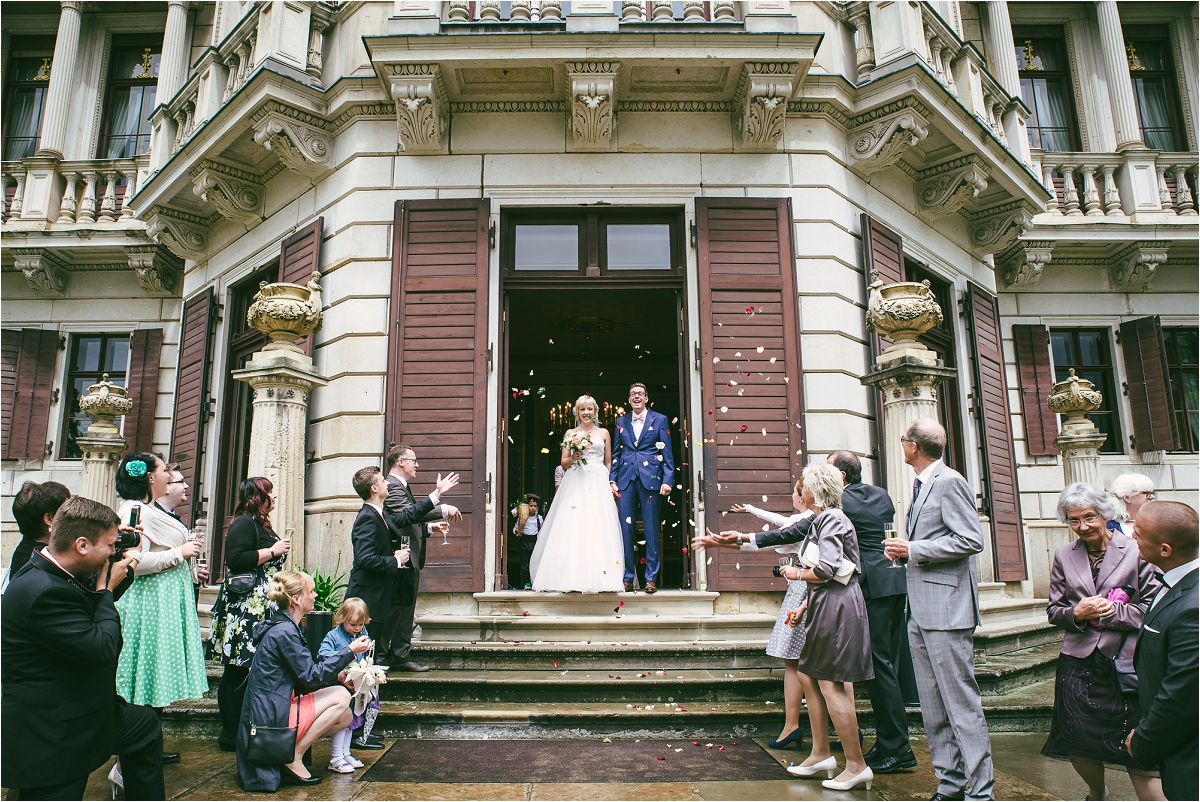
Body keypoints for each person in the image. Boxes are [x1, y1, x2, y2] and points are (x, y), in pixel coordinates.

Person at [697, 451, 910, 769]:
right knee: (881, 668)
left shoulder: (837, 509)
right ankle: (881, 745)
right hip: (892, 584)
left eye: (824, 470)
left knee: (866, 671)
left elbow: (794, 535)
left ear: (839, 477)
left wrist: (745, 540)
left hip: (860, 591)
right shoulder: (880, 495)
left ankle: (888, 752)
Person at [1, 496, 163, 800]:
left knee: (143, 726)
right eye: (110, 544)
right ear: (82, 545)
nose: (114, 551)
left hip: (83, 705)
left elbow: (84, 605)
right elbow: (102, 647)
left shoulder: (50, 568)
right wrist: (105, 590)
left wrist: (114, 576)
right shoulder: (44, 593)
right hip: (53, 729)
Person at [883, 419, 994, 801]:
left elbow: (970, 539)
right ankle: (950, 787)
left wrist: (914, 549)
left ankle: (981, 793)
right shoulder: (923, 484)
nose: (901, 446)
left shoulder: (950, 481)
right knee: (932, 708)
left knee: (961, 707)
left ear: (913, 445)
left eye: (902, 440)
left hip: (947, 611)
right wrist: (906, 552)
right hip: (920, 609)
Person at [1042, 483, 1163, 801]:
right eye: (1073, 520)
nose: (1082, 527)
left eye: (1089, 517)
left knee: (1136, 745)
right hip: (1077, 664)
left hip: (1125, 663)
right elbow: (1055, 611)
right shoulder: (1063, 555)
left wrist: (1106, 614)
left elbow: (1152, 610)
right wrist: (1076, 614)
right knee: (1077, 742)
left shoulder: (1137, 550)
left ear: (1105, 514)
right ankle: (1097, 793)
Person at [767, 463, 873, 791]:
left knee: (830, 683)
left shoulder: (832, 519)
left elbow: (827, 569)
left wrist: (795, 574)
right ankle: (820, 753)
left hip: (839, 610)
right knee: (807, 674)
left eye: (806, 486)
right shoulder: (822, 520)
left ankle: (856, 766)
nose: (801, 490)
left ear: (816, 490)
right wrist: (803, 605)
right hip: (823, 605)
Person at [694, 479, 813, 752]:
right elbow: (771, 538)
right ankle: (812, 728)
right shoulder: (808, 518)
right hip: (803, 590)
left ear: (804, 496)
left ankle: (796, 727)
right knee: (802, 661)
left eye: (795, 492)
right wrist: (723, 543)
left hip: (804, 592)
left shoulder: (809, 520)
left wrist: (734, 538)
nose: (794, 497)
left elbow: (774, 538)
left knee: (797, 661)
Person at [113, 452, 209, 770]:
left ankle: (147, 747)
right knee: (143, 680)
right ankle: (132, 761)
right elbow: (133, 563)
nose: (169, 474)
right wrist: (179, 554)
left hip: (161, 605)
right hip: (147, 608)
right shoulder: (134, 510)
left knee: (152, 680)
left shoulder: (149, 509)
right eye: (163, 469)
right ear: (150, 477)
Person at [236, 570, 370, 791]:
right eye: (311, 591)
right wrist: (349, 651)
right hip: (272, 717)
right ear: (297, 599)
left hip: (274, 709)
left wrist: (338, 674)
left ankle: (291, 752)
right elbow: (312, 676)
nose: (315, 595)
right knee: (341, 697)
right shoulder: (285, 632)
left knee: (345, 715)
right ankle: (293, 756)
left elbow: (305, 675)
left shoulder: (287, 627)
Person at [346, 464, 456, 676]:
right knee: (365, 653)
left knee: (371, 650)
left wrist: (431, 522)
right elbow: (364, 558)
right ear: (374, 489)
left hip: (380, 594)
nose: (387, 482)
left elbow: (405, 518)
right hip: (370, 595)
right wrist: (395, 560)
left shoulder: (381, 514)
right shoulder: (368, 518)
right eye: (382, 480)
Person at [208, 477, 291, 752]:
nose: (275, 497)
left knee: (247, 668)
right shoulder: (244, 522)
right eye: (270, 493)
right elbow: (235, 559)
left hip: (259, 606)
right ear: (259, 497)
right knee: (236, 669)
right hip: (245, 608)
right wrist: (272, 550)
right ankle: (230, 734)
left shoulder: (260, 523)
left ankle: (241, 729)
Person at [1127, 501, 1199, 801]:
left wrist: (1144, 741)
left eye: (1139, 533)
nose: (1131, 535)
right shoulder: (1173, 582)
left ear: (1165, 550)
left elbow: (1182, 692)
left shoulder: (1192, 608)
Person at [531, 394, 626, 592]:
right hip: (576, 479)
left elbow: (608, 461)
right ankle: (570, 578)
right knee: (573, 525)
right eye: (582, 409)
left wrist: (607, 481)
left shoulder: (604, 433)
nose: (586, 413)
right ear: (577, 412)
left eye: (590, 409)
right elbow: (563, 463)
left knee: (598, 526)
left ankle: (602, 578)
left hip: (598, 481)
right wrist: (573, 457)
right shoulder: (570, 433)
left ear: (595, 411)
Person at [381, 443, 461, 675]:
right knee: (398, 609)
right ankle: (390, 655)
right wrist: (439, 500)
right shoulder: (393, 487)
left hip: (409, 557)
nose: (417, 465)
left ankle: (399, 654)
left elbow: (407, 519)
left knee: (404, 608)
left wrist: (427, 528)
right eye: (413, 460)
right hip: (401, 557)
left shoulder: (400, 486)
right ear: (400, 462)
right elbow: (404, 516)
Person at [609, 382, 675, 593]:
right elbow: (617, 453)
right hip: (626, 479)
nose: (636, 397)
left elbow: (667, 452)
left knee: (651, 527)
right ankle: (628, 577)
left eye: (640, 394)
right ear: (629, 399)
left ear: (646, 398)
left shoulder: (660, 419)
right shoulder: (621, 421)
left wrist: (667, 480)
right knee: (625, 528)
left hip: (651, 479)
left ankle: (650, 579)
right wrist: (612, 479)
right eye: (632, 394)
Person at [318, 597, 376, 774]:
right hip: (342, 684)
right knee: (343, 718)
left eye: (360, 624)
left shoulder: (361, 632)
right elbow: (323, 653)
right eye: (353, 624)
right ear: (342, 618)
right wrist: (346, 656)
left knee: (352, 718)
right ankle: (336, 757)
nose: (357, 628)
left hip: (356, 684)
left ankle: (345, 752)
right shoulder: (334, 636)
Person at [8, 480, 71, 572]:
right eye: (67, 512)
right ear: (49, 519)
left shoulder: (24, 552)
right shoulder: (44, 563)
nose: (73, 516)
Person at [512, 496, 544, 590]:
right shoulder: (523, 518)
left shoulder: (539, 518)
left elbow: (543, 529)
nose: (533, 508)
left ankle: (535, 581)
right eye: (531, 506)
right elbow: (515, 528)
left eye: (535, 506)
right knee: (525, 563)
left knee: (534, 562)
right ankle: (527, 582)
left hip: (535, 542)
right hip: (524, 541)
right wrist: (517, 531)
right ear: (527, 507)